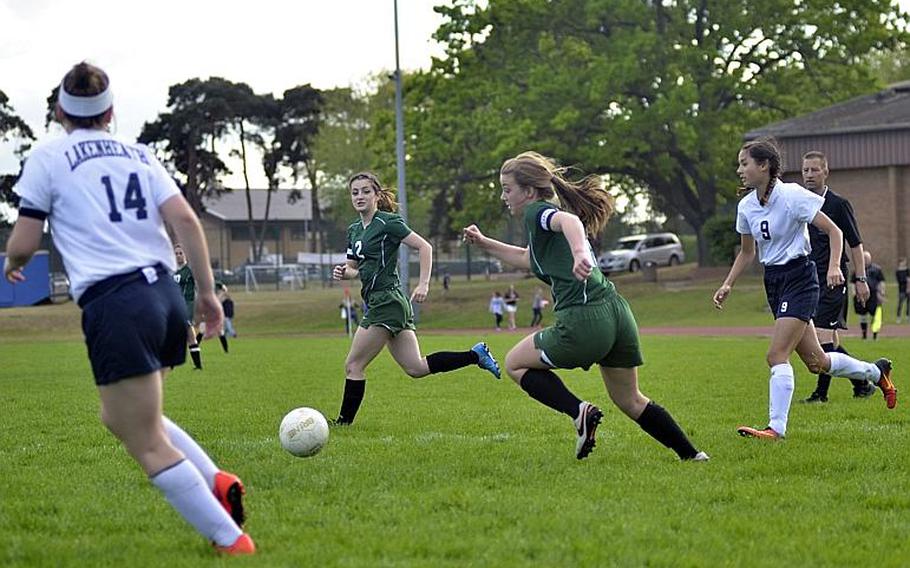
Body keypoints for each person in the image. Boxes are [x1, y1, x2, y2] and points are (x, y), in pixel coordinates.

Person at [3, 63, 254, 554]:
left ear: (59, 112)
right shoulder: (140, 154)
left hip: (116, 302)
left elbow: (25, 239)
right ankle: (216, 480)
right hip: (162, 295)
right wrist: (205, 293)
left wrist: (14, 262)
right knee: (123, 417)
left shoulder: (49, 157)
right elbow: (184, 218)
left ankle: (231, 539)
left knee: (145, 440)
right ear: (111, 111)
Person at [463, 151, 708, 462]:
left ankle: (578, 411)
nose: (503, 196)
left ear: (528, 191)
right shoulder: (541, 231)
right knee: (630, 400)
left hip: (584, 321)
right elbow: (528, 258)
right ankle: (692, 455)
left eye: (507, 188)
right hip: (617, 313)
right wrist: (485, 243)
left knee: (514, 363)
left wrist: (580, 252)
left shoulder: (536, 212)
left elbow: (569, 220)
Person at [713, 138, 897, 441]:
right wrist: (728, 283)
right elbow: (748, 252)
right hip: (773, 282)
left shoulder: (793, 195)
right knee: (818, 363)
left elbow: (834, 231)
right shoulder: (746, 205)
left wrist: (834, 266)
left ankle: (776, 429)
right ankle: (877, 373)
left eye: (744, 163)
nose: (739, 170)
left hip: (800, 277)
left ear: (764, 166)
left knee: (776, 355)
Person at [331, 171, 501, 425]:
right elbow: (354, 268)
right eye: (355, 192)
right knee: (416, 368)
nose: (360, 196)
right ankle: (475, 355)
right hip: (382, 301)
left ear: (377, 195)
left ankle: (343, 423)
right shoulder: (354, 230)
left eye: (366, 191)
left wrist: (423, 284)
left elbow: (425, 247)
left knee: (353, 364)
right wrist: (344, 272)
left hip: (387, 301)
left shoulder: (388, 222)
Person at [797, 151, 875, 403]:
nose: (809, 174)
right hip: (809, 280)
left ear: (825, 172)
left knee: (821, 338)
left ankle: (821, 394)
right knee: (828, 339)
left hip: (834, 279)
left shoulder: (838, 204)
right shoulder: (799, 202)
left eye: (814, 170)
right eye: (805, 170)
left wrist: (861, 280)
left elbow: (855, 245)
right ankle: (862, 382)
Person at [174, 244, 204, 368]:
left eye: (181, 253)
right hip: (173, 306)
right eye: (176, 253)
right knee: (189, 336)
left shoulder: (190, 270)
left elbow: (200, 284)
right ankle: (197, 366)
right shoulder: (171, 271)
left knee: (188, 333)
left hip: (187, 305)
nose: (178, 256)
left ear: (185, 255)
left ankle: (197, 365)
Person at [853, 250, 886, 340]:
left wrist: (882, 293)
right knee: (862, 315)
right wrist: (854, 294)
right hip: (861, 296)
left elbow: (881, 282)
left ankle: (875, 334)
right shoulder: (858, 270)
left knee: (876, 315)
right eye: (864, 258)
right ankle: (864, 335)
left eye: (867, 258)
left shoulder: (876, 269)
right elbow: (853, 282)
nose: (865, 260)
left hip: (874, 296)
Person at [897, 257, 909, 323]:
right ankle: (898, 317)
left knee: (908, 304)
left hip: (907, 289)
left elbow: (908, 279)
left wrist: (908, 288)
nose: (903, 263)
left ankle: (907, 316)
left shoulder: (907, 270)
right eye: (902, 262)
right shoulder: (898, 271)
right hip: (901, 289)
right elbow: (900, 280)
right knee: (900, 303)